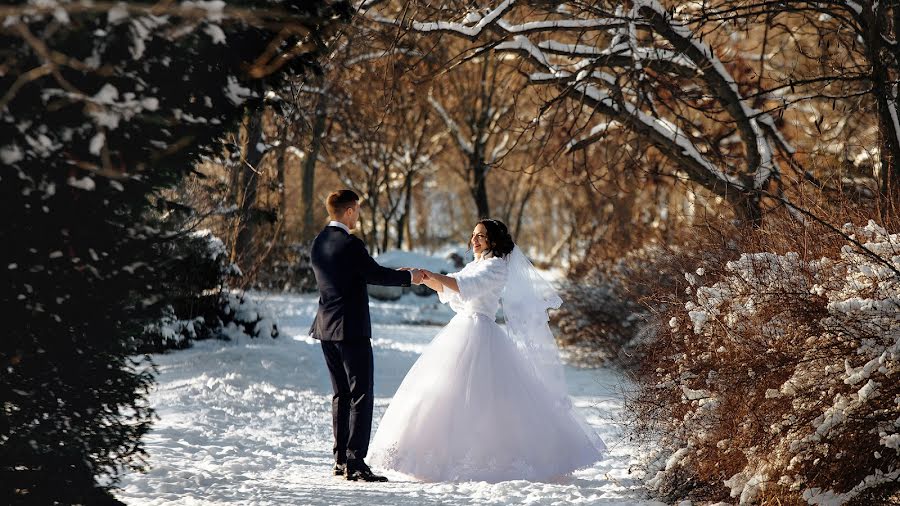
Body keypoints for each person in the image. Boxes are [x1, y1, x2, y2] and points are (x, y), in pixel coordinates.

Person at [368, 219, 605, 482]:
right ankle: (440, 458)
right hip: (461, 329)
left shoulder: (496, 267)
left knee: (490, 398)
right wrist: (424, 278)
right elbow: (452, 287)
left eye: (481, 235)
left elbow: (465, 286)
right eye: (473, 235)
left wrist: (432, 274)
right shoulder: (476, 264)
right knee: (445, 393)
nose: (475, 240)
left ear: (493, 240)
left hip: (482, 332)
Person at [309, 189, 424, 482]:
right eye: (357, 209)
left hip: (325, 327)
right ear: (349, 211)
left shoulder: (318, 242)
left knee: (341, 394)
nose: (358, 215)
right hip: (351, 329)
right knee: (362, 394)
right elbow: (376, 274)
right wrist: (410, 277)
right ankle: (356, 462)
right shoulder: (351, 244)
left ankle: (339, 460)